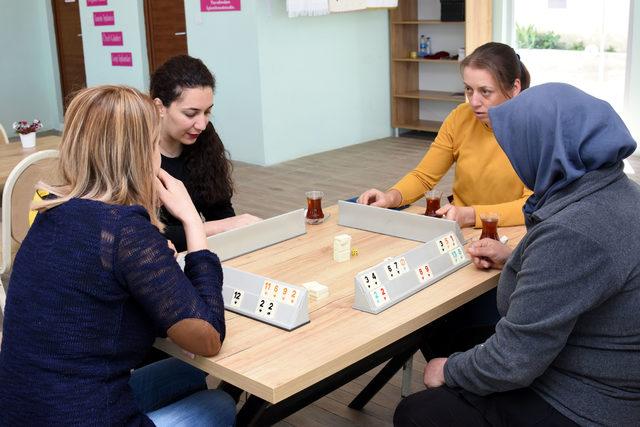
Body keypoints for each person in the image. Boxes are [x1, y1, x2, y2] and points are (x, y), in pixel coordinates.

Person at [394, 83, 640, 426]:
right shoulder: (619, 192)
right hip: (602, 367)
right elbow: (587, 275)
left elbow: (514, 361)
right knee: (449, 331)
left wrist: (449, 370)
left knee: (417, 413)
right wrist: (515, 258)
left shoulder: (574, 231)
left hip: (587, 401)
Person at [0, 85, 236, 426]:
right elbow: (208, 337)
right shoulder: (125, 230)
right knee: (218, 405)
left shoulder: (51, 210)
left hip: (22, 410)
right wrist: (191, 223)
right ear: (141, 153)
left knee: (187, 374)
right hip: (81, 416)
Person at [357, 42, 532, 228]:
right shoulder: (460, 117)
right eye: (468, 89)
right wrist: (390, 197)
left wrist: (473, 215)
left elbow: (533, 205)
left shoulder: (534, 128)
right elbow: (424, 176)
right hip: (461, 225)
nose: (473, 101)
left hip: (513, 230)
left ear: (514, 88)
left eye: (485, 92)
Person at [150, 54, 260, 252]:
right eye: (190, 114)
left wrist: (234, 227)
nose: (201, 124)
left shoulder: (204, 139)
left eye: (207, 112)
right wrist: (219, 227)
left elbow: (219, 209)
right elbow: (143, 236)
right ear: (160, 107)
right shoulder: (134, 152)